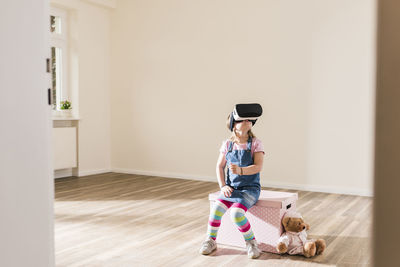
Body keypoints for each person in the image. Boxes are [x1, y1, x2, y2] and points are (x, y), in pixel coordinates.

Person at [199, 107, 265, 259]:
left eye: (249, 119)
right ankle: (210, 240)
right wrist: (223, 186)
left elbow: (258, 166)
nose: (247, 121)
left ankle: (251, 243)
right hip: (231, 189)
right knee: (215, 211)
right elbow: (219, 166)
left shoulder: (255, 143)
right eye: (242, 119)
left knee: (236, 214)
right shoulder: (228, 145)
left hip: (249, 190)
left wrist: (241, 171)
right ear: (234, 125)